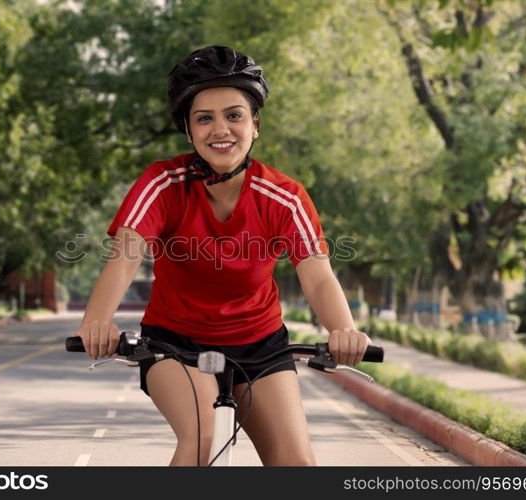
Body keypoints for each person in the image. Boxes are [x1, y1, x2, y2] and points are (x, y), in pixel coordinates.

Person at [75, 46, 370, 466]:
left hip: (261, 346)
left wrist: (344, 330)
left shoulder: (284, 197)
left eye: (234, 115)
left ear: (255, 125)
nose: (221, 129)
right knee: (200, 438)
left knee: (298, 466)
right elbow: (125, 256)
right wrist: (96, 322)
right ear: (189, 131)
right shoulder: (163, 183)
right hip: (174, 344)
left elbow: (318, 276)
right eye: (204, 118)